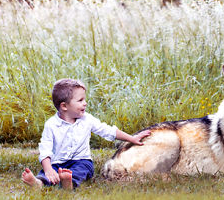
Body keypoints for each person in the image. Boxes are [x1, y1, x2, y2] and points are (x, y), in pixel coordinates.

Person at [21, 78, 150, 190]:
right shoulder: (51, 125)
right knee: (48, 172)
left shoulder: (87, 119)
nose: (85, 103)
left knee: (80, 171)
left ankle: (69, 183)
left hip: (81, 161)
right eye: (80, 100)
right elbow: (45, 149)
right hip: (58, 163)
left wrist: (132, 138)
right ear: (64, 106)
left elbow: (108, 131)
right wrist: (49, 169)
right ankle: (39, 182)